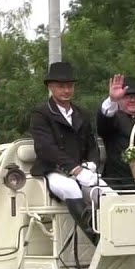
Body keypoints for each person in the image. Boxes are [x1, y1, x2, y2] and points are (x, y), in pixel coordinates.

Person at [28, 61, 107, 245]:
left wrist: (92, 164)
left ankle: (120, 235)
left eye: (69, 86)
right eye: (61, 86)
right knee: (70, 188)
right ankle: (98, 240)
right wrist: (75, 169)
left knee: (105, 192)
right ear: (51, 87)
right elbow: (46, 148)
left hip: (81, 169)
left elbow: (91, 143)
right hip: (53, 170)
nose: (66, 90)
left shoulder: (81, 113)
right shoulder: (41, 114)